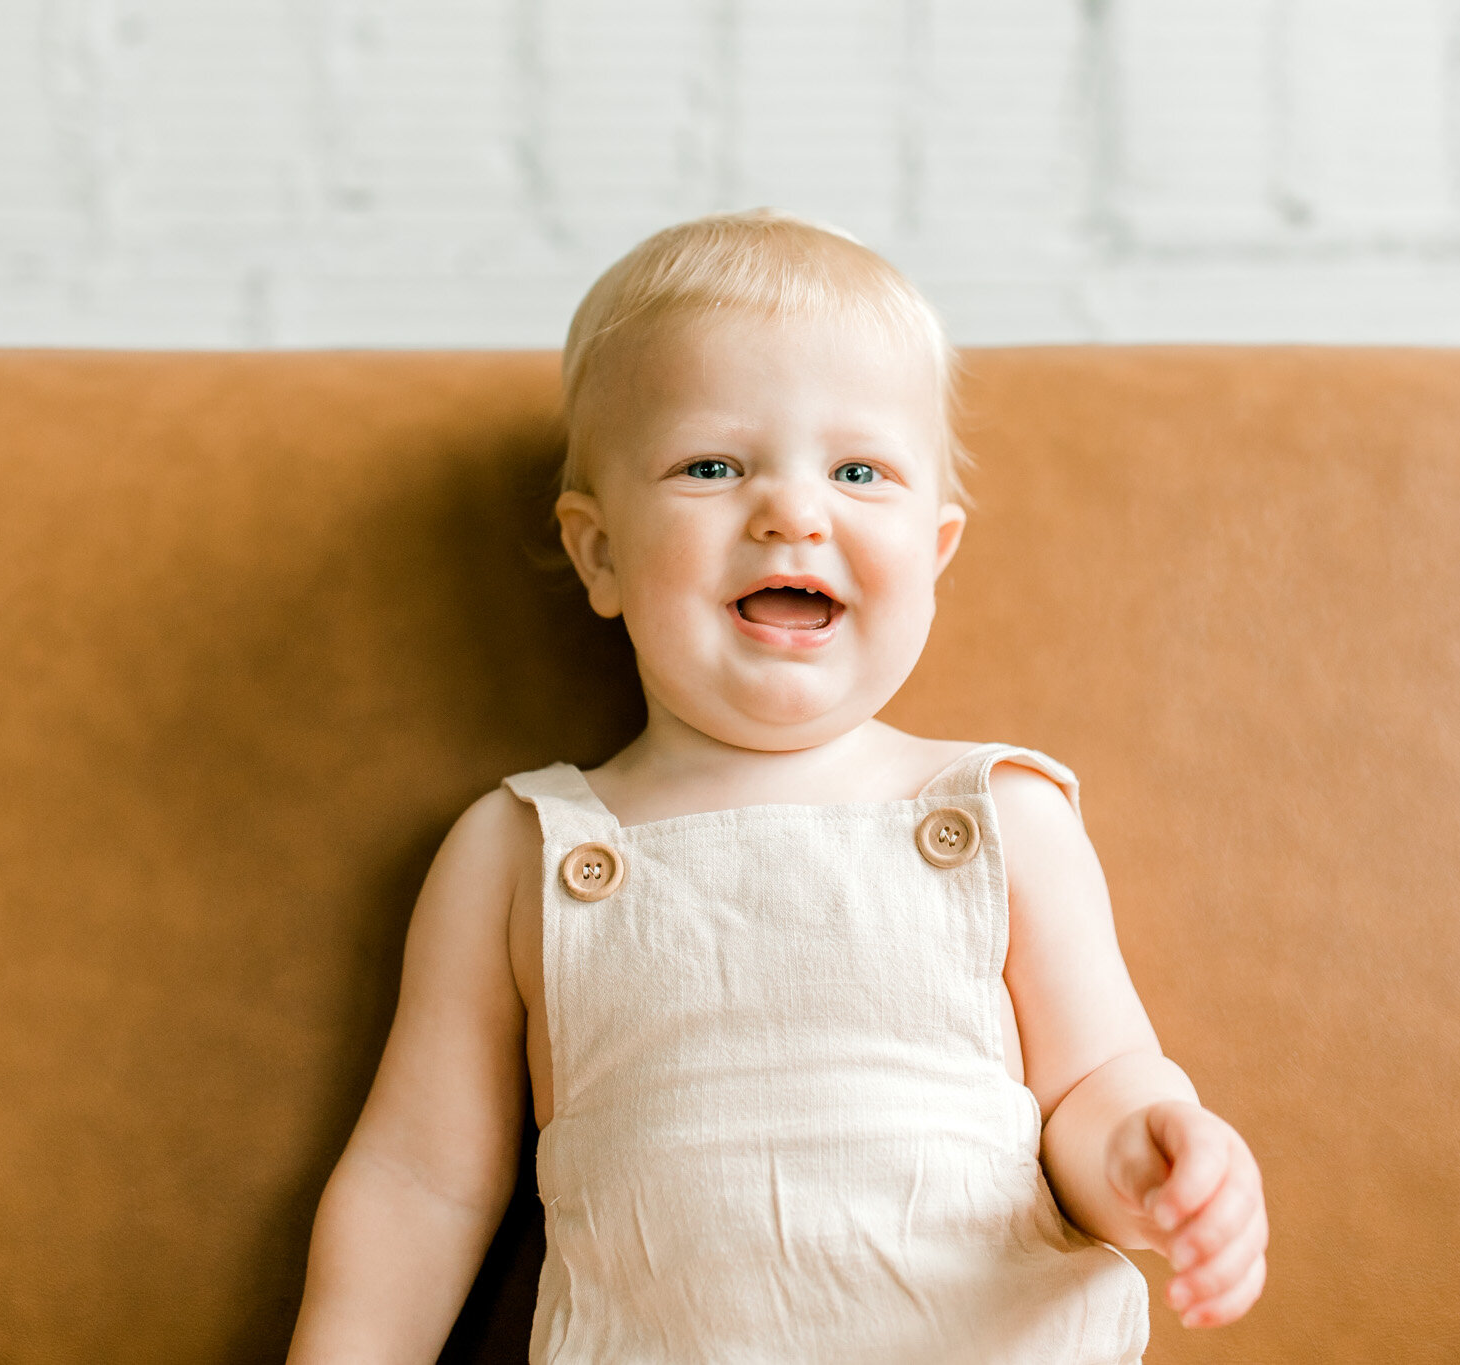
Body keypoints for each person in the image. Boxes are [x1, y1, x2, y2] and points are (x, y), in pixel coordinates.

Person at [286, 209, 1268, 1364]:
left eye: (859, 470)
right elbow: (417, 1185)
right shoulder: (520, 850)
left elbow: (1095, 1084)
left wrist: (1154, 1158)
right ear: (598, 553)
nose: (793, 511)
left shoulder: (1001, 816)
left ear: (934, 550)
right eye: (712, 465)